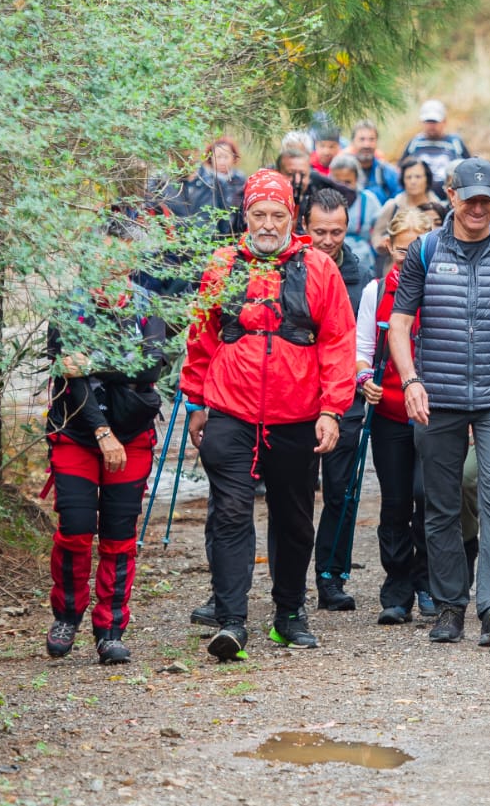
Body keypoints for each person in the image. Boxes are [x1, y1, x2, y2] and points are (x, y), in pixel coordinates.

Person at [183, 170, 357, 658]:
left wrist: (332, 410)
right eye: (258, 214)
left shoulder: (319, 267)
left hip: (296, 413)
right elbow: (202, 335)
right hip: (230, 409)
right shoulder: (222, 265)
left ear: (291, 217)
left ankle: (289, 613)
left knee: (294, 517)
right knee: (231, 511)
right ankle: (231, 620)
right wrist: (196, 402)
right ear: (246, 216)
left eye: (277, 215)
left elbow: (338, 342)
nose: (267, 223)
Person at [386, 159, 490, 648]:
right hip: (439, 394)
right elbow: (399, 324)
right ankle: (449, 604)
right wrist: (411, 381)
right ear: (451, 195)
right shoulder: (426, 250)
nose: (478, 208)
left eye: (486, 200)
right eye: (469, 198)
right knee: (441, 502)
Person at [42, 222, 171, 665]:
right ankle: (67, 615)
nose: (110, 263)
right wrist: (101, 431)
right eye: (103, 253)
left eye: (120, 254)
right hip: (77, 432)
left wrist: (94, 362)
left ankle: (110, 627)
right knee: (76, 529)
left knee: (119, 535)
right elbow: (71, 379)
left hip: (132, 434)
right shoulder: (70, 307)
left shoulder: (146, 306)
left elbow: (150, 367)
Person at [354, 207, 439, 623]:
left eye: (417, 249)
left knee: (428, 496)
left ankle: (428, 581)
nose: (409, 258)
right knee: (395, 501)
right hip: (388, 409)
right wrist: (363, 380)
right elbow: (362, 349)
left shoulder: (440, 288)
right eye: (403, 249)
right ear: (389, 246)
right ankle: (397, 587)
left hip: (434, 411)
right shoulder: (376, 291)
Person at [303, 188, 375, 613]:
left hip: (345, 397)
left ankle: (331, 576)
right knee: (294, 495)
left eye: (337, 232)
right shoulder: (290, 267)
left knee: (341, 492)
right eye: (320, 232)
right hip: (296, 397)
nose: (328, 240)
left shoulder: (360, 274)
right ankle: (289, 578)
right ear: (304, 226)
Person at [372, 158, 438, 249]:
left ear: (427, 179)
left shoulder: (438, 208)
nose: (413, 181)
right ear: (403, 180)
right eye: (408, 177)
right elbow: (377, 234)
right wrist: (382, 244)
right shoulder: (393, 205)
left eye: (418, 177)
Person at [328, 153, 382, 258]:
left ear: (357, 180)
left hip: (361, 258)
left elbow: (381, 228)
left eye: (347, 182)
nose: (342, 187)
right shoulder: (322, 200)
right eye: (338, 182)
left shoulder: (368, 200)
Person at [400, 100, 469, 173]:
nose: (431, 126)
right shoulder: (415, 143)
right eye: (428, 122)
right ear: (421, 122)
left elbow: (468, 167)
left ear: (444, 121)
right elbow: (401, 168)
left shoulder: (455, 142)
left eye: (434, 122)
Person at [351, 120, 400, 204]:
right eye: (362, 139)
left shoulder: (389, 173)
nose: (367, 145)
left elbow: (400, 201)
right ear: (353, 142)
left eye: (371, 139)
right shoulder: (342, 171)